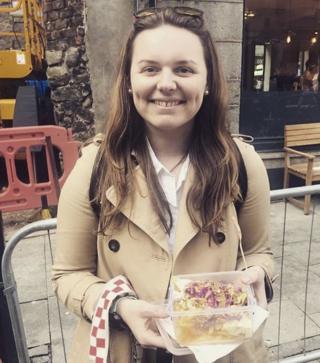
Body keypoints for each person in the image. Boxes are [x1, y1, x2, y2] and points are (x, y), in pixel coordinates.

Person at [52, 6, 274, 363]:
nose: (166, 83)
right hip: (126, 351)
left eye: (184, 69)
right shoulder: (94, 167)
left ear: (208, 81)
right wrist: (120, 307)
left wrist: (258, 276)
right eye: (150, 69)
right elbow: (68, 275)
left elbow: (261, 252)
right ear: (129, 80)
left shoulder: (242, 164)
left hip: (220, 350)